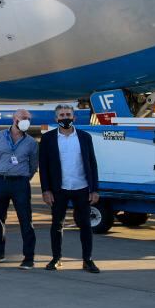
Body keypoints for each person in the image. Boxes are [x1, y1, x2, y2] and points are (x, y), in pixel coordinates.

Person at [39, 105, 101, 273]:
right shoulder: (48, 138)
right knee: (57, 225)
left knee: (86, 226)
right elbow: (43, 166)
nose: (65, 117)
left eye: (68, 114)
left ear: (74, 118)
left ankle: (87, 260)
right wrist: (46, 190)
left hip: (82, 187)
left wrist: (94, 189)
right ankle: (56, 258)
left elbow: (92, 164)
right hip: (59, 189)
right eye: (61, 115)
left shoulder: (84, 137)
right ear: (56, 119)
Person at [0, 108, 38, 267]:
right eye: (23, 117)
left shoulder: (31, 142)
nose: (26, 120)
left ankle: (29, 257)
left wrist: (23, 177)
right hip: (0, 181)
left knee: (25, 220)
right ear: (14, 119)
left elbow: (34, 164)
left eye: (28, 118)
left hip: (20, 183)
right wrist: (2, 170)